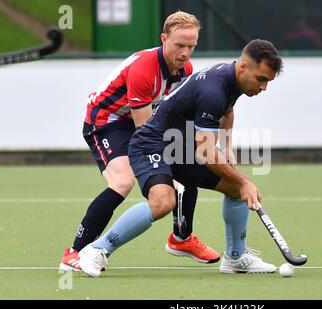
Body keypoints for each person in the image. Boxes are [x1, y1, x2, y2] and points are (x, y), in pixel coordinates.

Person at [78, 39, 283, 277]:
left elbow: (227, 111)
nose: (264, 87)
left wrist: (226, 149)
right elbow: (205, 151)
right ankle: (97, 249)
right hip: (150, 143)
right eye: (262, 79)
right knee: (163, 202)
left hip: (180, 148)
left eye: (268, 81)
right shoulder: (213, 90)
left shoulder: (232, 79)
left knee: (236, 189)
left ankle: (236, 257)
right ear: (244, 67)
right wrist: (243, 181)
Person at [59, 11, 220, 272]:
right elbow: (144, 131)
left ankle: (182, 239)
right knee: (122, 182)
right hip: (106, 123)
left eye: (191, 46)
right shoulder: (145, 70)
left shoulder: (185, 69)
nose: (185, 53)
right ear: (163, 39)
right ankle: (75, 252)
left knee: (183, 161)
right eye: (179, 45)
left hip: (140, 121)